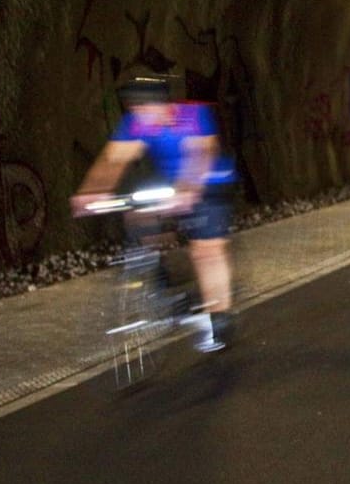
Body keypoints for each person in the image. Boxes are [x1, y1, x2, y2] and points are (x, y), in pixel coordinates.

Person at [72, 77, 238, 352]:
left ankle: (219, 317)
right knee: (138, 213)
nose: (142, 116)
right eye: (136, 109)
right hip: (171, 184)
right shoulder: (136, 123)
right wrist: (91, 192)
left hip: (209, 184)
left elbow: (203, 153)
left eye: (147, 108)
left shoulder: (193, 116)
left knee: (205, 250)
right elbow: (111, 161)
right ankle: (159, 277)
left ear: (165, 106)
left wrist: (189, 189)